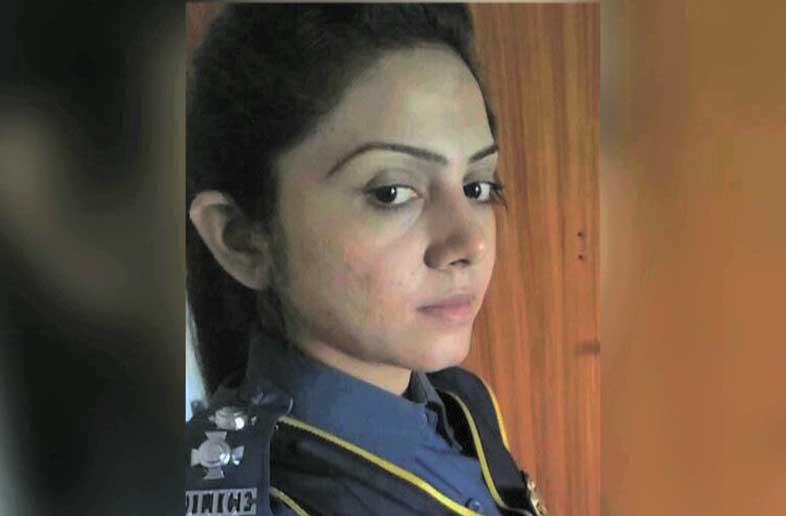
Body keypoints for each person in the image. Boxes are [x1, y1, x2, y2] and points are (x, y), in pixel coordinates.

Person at [186, 5, 546, 516]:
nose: (470, 243)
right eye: (391, 192)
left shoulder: (462, 404)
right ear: (242, 239)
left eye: (478, 187)